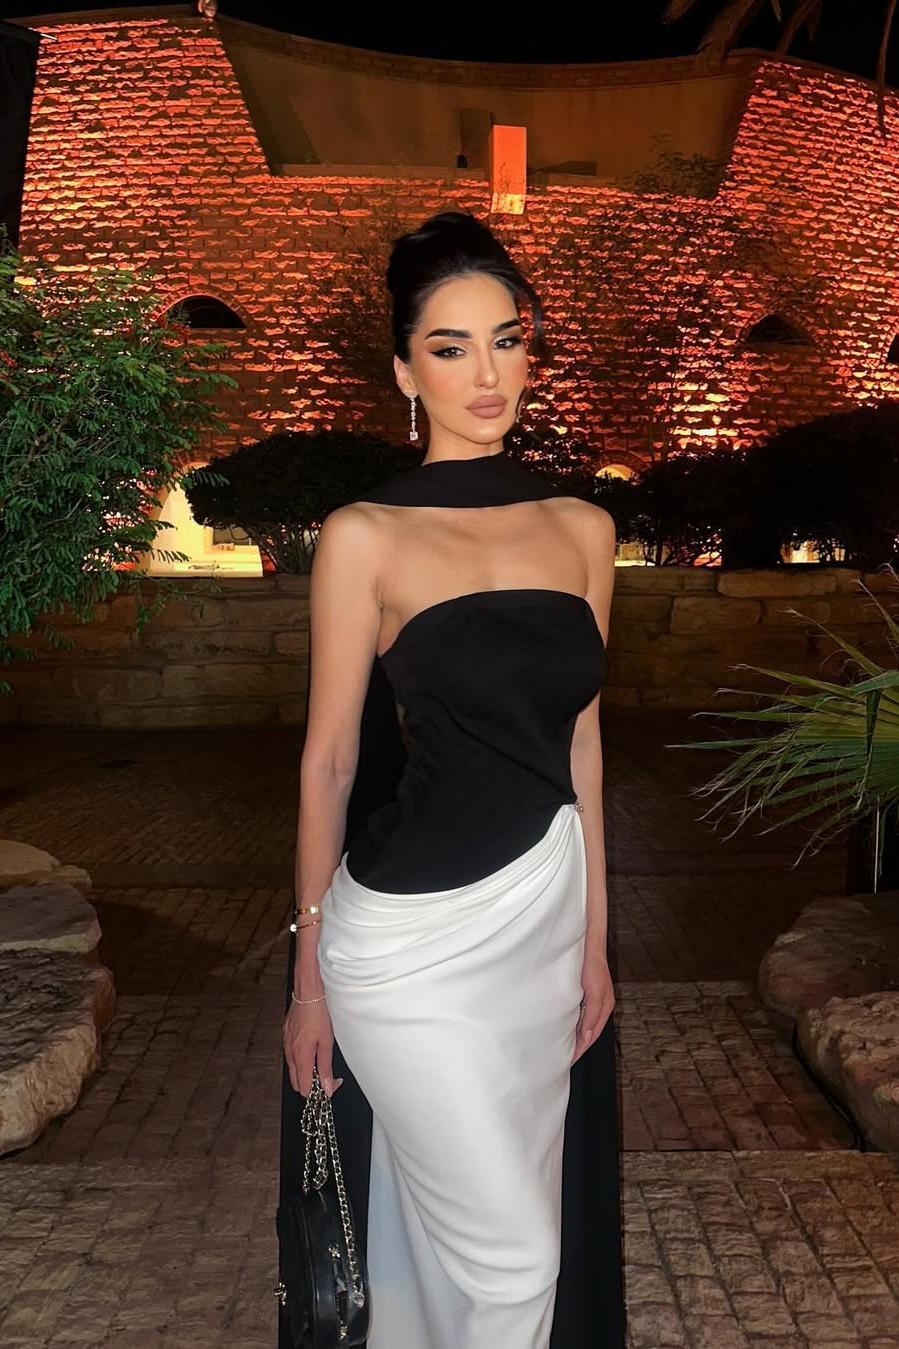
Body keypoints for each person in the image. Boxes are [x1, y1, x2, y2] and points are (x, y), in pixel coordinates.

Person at [279, 209, 624, 1348]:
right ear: (404, 373)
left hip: (544, 921)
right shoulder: (364, 534)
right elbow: (331, 759)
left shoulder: (581, 529)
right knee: (517, 1258)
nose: (486, 374)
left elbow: (582, 744)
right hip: (406, 949)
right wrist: (308, 979)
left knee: (448, 1238)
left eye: (506, 341)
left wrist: (596, 939)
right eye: (450, 346)